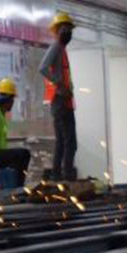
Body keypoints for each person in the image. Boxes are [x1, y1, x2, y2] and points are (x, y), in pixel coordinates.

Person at [40, 12, 77, 181]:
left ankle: (57, 175)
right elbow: (43, 68)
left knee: (63, 142)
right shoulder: (56, 47)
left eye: (69, 29)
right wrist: (60, 84)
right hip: (60, 100)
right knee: (70, 142)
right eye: (64, 29)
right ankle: (66, 175)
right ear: (57, 31)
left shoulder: (61, 49)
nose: (68, 32)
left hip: (63, 100)